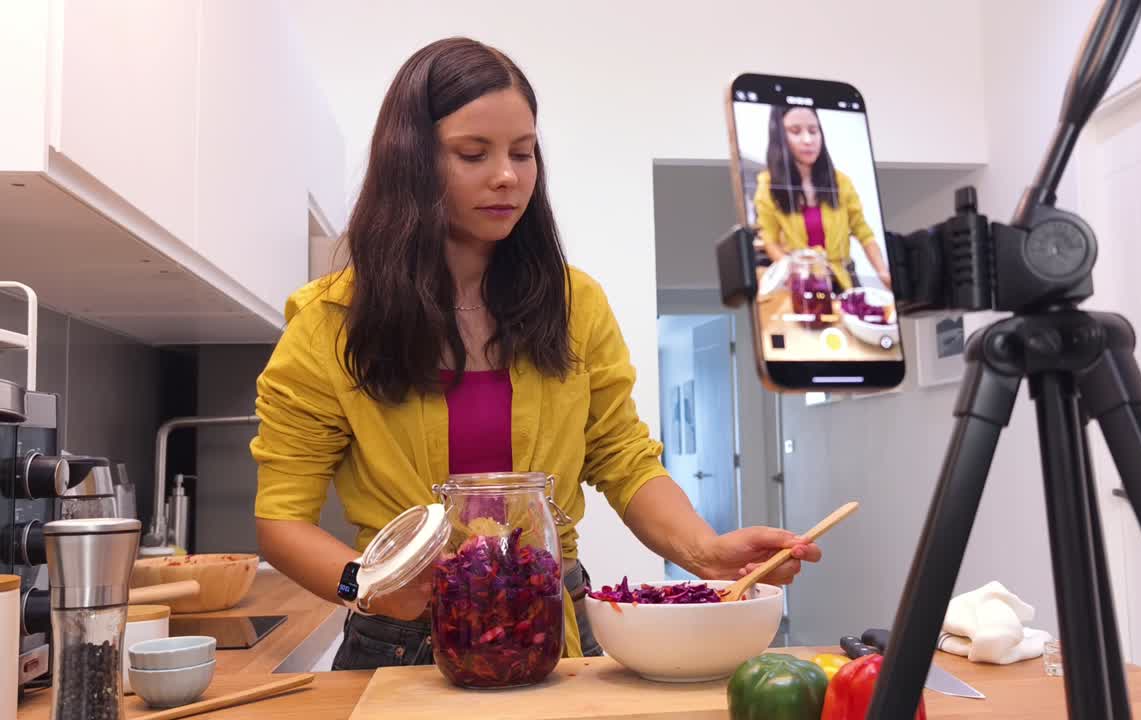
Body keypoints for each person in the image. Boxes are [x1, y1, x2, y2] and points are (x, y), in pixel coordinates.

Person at [249, 37, 823, 672]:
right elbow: (281, 522)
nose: (508, 176)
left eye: (523, 153)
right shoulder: (330, 323)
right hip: (403, 643)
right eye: (474, 153)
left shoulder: (576, 305)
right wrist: (368, 584)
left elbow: (623, 457)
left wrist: (705, 551)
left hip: (555, 621)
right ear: (409, 162)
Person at [753, 105, 892, 291]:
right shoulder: (768, 186)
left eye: (813, 130)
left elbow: (863, 231)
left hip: (842, 280)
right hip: (801, 281)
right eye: (795, 131)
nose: (808, 140)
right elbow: (769, 240)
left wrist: (883, 272)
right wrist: (797, 267)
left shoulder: (841, 182)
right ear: (780, 137)